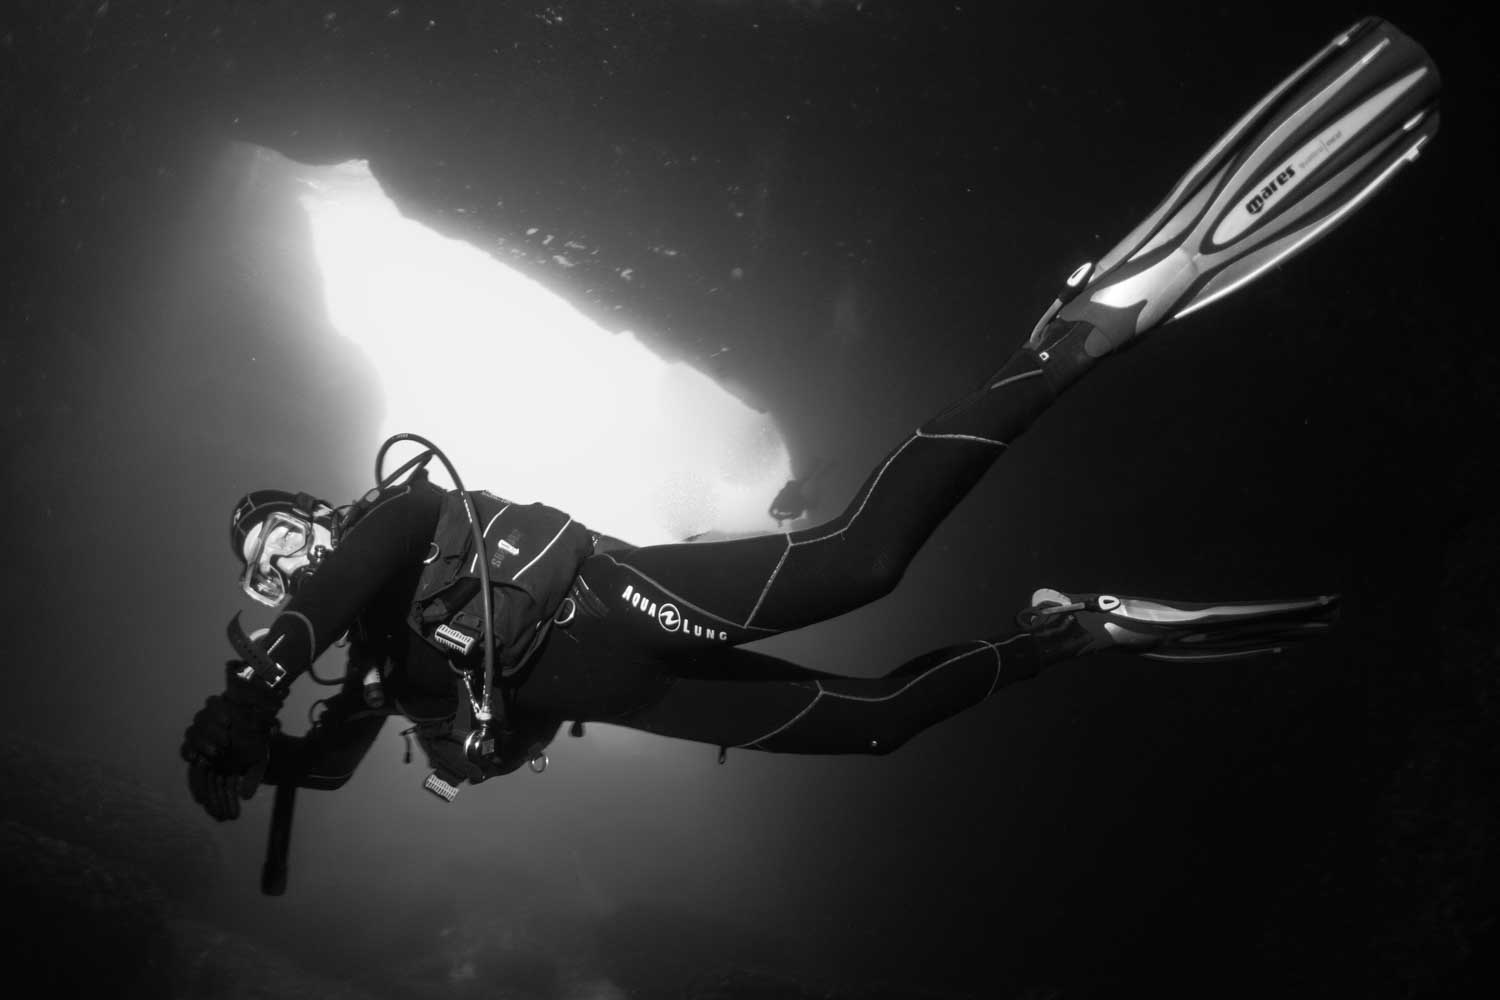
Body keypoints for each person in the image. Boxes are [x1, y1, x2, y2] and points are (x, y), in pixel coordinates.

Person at [182, 16, 1437, 822]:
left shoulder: (388, 524)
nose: (281, 560)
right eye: (263, 564)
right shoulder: (359, 663)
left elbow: (356, 566)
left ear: (311, 517)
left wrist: (257, 682)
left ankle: (1073, 335)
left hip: (613, 604)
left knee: (862, 561)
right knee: (880, 726)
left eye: (281, 534)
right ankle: (1074, 631)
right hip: (630, 698)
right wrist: (260, 760)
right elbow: (340, 755)